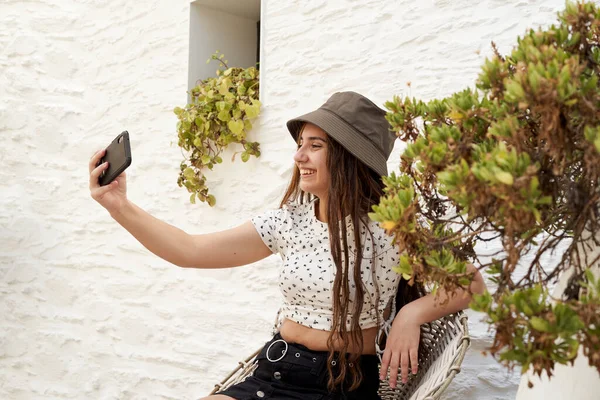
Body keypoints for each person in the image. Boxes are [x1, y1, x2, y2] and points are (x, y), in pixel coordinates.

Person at [89, 91, 486, 400]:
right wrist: (117, 205)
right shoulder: (289, 222)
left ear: (349, 156)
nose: (299, 156)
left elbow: (471, 282)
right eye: (300, 143)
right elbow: (189, 250)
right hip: (273, 368)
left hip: (338, 384)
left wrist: (410, 315)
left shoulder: (392, 227)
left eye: (315, 145)